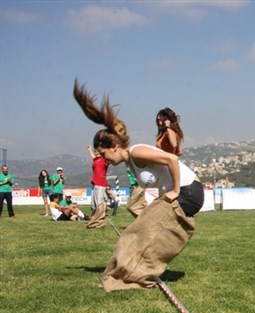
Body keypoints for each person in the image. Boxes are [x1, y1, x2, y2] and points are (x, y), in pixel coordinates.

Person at [74, 79, 204, 292]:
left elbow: (172, 160)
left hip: (189, 192)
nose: (104, 159)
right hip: (184, 194)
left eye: (104, 154)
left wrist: (175, 191)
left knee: (137, 234)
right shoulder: (131, 162)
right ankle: (126, 275)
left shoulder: (136, 152)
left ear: (114, 147)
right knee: (140, 232)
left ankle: (128, 278)